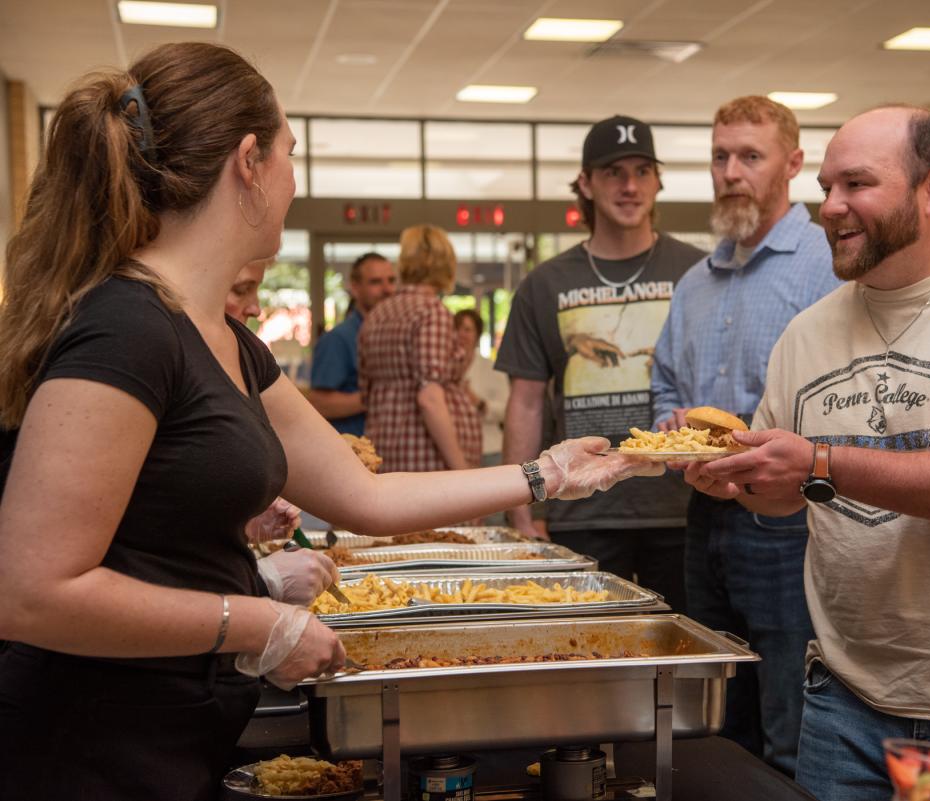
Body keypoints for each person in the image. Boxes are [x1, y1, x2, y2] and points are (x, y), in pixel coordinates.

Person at [0, 42, 660, 800]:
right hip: (80, 748)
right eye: (289, 154)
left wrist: (544, 474)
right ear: (248, 162)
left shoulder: (226, 338)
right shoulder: (127, 326)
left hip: (171, 734)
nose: (293, 178)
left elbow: (364, 497)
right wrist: (254, 621)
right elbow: (32, 590)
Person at [683, 105, 930, 799]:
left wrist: (821, 462)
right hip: (842, 693)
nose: (830, 207)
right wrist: (742, 479)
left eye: (856, 185)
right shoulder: (807, 334)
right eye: (828, 186)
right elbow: (788, 497)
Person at [649, 94, 840, 776]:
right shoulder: (697, 280)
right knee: (717, 716)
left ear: (792, 163)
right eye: (720, 156)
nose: (731, 171)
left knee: (789, 714)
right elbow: (666, 384)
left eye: (749, 156)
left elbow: (842, 392)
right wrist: (672, 426)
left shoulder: (826, 264)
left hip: (791, 522)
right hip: (704, 515)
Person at [496, 115, 704, 612]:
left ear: (658, 180)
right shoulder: (545, 283)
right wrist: (520, 506)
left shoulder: (698, 272)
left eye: (642, 171)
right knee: (584, 652)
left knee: (682, 654)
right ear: (586, 183)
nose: (629, 186)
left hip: (682, 508)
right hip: (579, 505)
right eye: (613, 172)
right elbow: (525, 402)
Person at [225, 259, 335, 604]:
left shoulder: (244, 354)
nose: (256, 308)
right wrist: (261, 581)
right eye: (241, 289)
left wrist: (244, 526)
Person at [359, 225, 481, 473]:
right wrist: (463, 472)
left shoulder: (377, 314)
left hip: (386, 452)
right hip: (428, 461)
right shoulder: (431, 312)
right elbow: (430, 398)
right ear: (446, 263)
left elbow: (366, 393)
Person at [308, 251, 397, 436]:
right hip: (355, 453)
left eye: (391, 280)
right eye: (376, 282)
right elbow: (319, 403)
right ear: (355, 288)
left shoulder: (394, 335)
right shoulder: (338, 339)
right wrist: (382, 397)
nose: (387, 289)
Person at [455, 308, 509, 467]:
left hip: (489, 450)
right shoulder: (442, 368)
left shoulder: (492, 368)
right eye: (457, 329)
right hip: (455, 451)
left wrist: (479, 403)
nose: (461, 334)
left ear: (477, 335)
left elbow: (507, 411)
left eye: (467, 330)